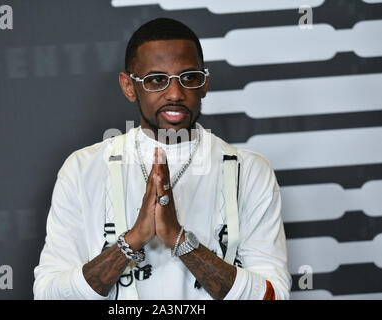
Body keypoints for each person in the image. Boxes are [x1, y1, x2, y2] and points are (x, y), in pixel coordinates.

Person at [33, 17, 291, 300]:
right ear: (129, 86)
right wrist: (132, 240)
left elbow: (273, 296)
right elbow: (49, 295)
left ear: (204, 84)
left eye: (189, 78)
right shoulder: (83, 168)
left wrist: (180, 240)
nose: (175, 94)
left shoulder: (250, 170)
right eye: (157, 80)